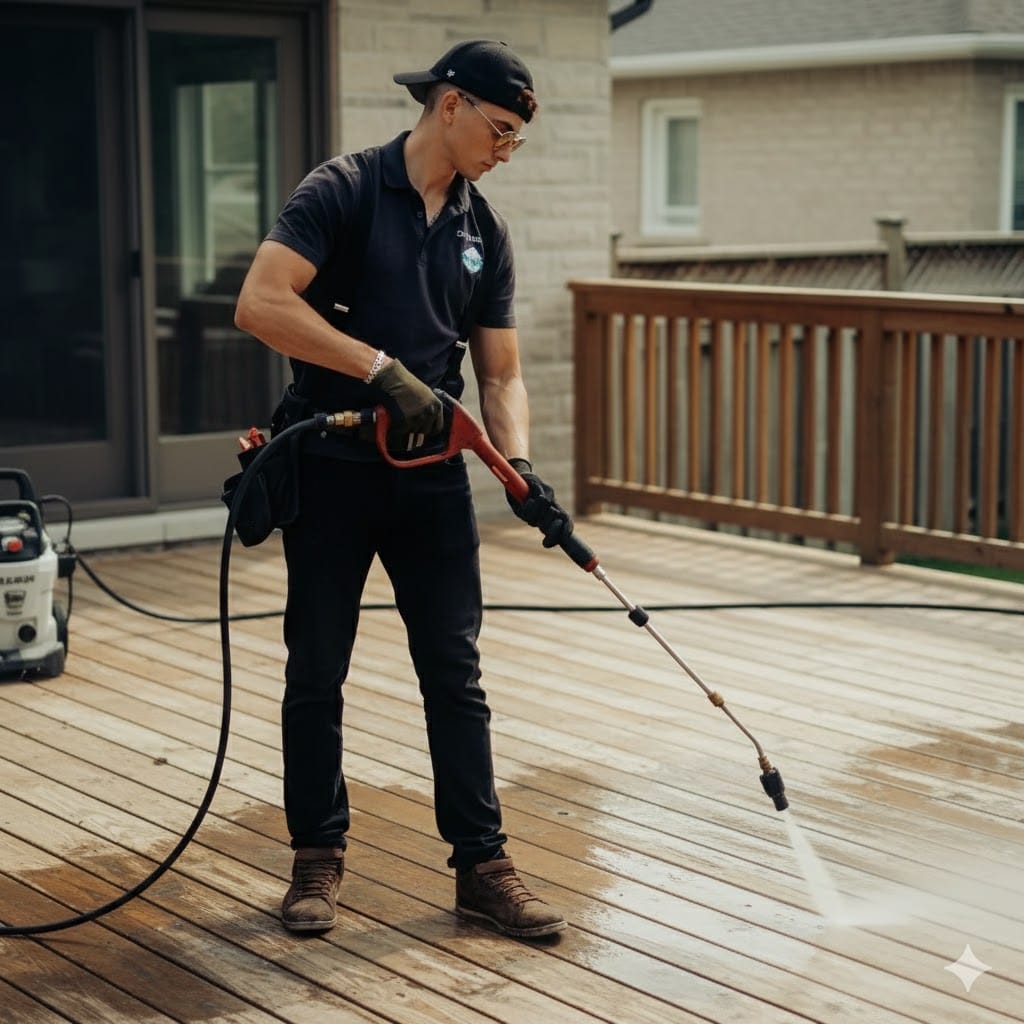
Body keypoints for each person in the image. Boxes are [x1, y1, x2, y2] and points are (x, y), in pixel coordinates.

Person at [234, 39, 573, 939]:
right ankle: (316, 858)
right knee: (317, 669)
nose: (506, 149)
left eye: (518, 140)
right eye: (500, 130)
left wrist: (520, 465)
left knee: (454, 673)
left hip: (429, 480)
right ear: (450, 105)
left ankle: (481, 865)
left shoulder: (482, 233)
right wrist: (377, 368)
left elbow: (499, 375)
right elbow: (261, 302)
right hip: (332, 465)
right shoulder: (341, 191)